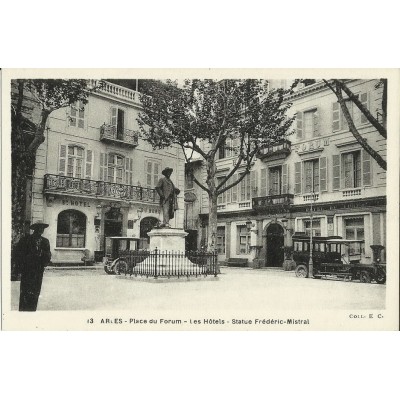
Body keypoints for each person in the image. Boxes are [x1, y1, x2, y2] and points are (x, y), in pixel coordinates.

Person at [14, 221, 51, 311]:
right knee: (25, 292)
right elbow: (17, 253)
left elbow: (48, 255)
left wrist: (43, 254)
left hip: (38, 271)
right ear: (34, 229)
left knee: (35, 292)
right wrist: (19, 268)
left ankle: (32, 310)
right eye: (39, 228)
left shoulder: (45, 241)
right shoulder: (25, 240)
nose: (41, 230)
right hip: (27, 270)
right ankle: (23, 311)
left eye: (42, 228)